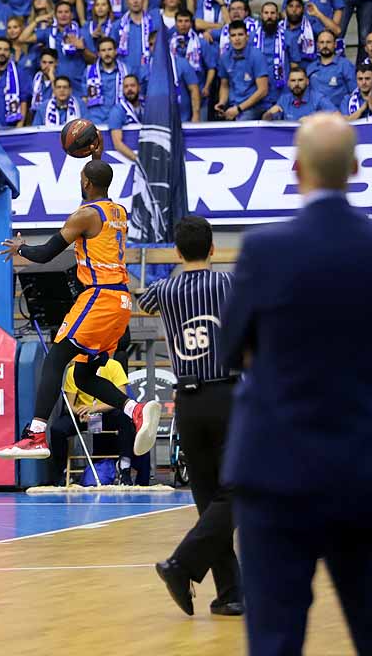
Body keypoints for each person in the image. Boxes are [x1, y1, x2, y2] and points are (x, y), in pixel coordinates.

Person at [220, 113, 372, 656]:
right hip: (368, 465)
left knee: (276, 639)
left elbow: (229, 347)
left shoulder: (264, 248)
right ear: (355, 167)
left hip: (277, 467)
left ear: (295, 169)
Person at [0, 160, 161, 459]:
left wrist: (20, 248)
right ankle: (135, 410)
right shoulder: (118, 212)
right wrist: (95, 154)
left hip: (100, 296)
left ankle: (35, 435)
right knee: (83, 375)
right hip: (121, 303)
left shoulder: (85, 216)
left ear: (86, 183)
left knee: (56, 356)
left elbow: (45, 254)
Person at [138, 216, 242, 617]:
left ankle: (231, 593)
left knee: (209, 499)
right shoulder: (230, 283)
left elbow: (140, 299)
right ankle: (182, 565)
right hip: (227, 394)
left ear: (177, 253)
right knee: (241, 490)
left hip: (187, 401)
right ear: (213, 248)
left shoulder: (163, 289)